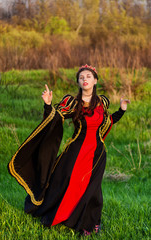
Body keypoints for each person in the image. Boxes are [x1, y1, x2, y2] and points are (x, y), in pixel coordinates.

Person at [8, 64, 130, 235]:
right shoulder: (72, 103)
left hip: (97, 155)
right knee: (65, 182)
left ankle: (90, 222)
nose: (85, 79)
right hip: (75, 152)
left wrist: (122, 110)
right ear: (79, 83)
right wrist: (48, 105)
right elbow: (54, 119)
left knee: (92, 189)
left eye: (88, 76)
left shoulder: (102, 102)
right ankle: (55, 212)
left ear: (95, 81)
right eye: (81, 77)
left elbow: (107, 121)